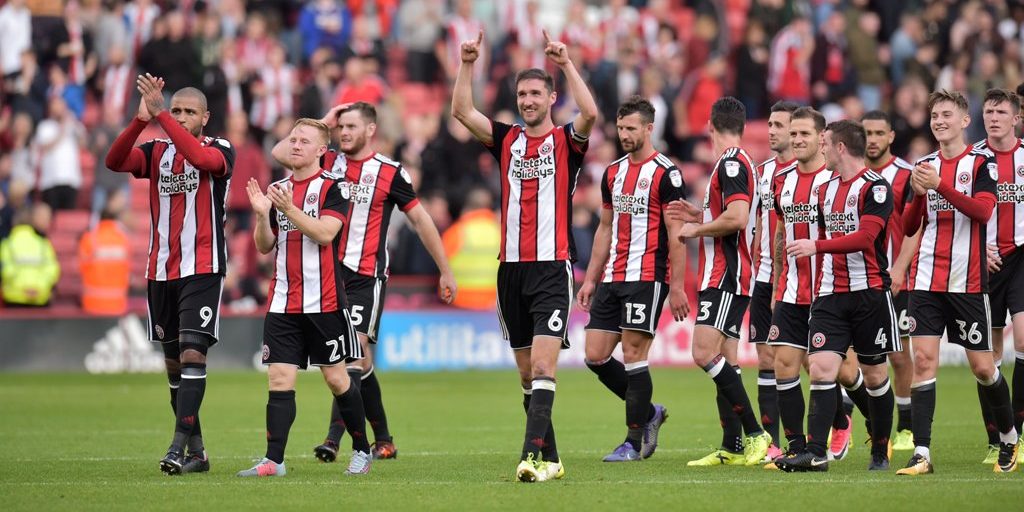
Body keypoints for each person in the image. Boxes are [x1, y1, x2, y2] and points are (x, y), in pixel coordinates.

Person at [451, 29, 597, 482]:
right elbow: (461, 111)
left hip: (552, 268)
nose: (528, 100)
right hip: (510, 270)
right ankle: (552, 458)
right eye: (522, 94)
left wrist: (566, 63)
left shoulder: (567, 141)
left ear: (552, 98)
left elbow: (591, 112)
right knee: (525, 375)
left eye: (536, 93)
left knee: (543, 365)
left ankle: (531, 457)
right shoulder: (506, 139)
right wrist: (468, 63)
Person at [273, 102, 455, 463]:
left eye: (351, 126)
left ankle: (333, 440)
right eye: (340, 127)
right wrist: (322, 122)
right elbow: (281, 153)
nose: (343, 133)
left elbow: (420, 220)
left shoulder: (390, 172)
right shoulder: (327, 161)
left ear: (371, 130)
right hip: (327, 276)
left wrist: (445, 269)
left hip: (365, 277)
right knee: (361, 361)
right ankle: (383, 439)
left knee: (351, 354)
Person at [104, 74, 235, 475]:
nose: (179, 116)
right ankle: (198, 453)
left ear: (205, 118)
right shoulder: (156, 150)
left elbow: (201, 161)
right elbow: (114, 161)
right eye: (175, 110)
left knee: (194, 354)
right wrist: (140, 121)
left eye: (188, 111)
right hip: (160, 269)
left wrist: (161, 115)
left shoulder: (220, 148)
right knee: (175, 367)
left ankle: (177, 448)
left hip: (203, 267)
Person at [237, 118, 370, 478]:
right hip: (282, 301)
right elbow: (264, 246)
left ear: (321, 150)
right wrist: (262, 216)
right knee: (279, 379)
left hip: (324, 302)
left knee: (337, 379)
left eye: (304, 141)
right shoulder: (278, 188)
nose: (295, 145)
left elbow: (326, 233)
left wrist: (289, 209)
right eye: (293, 139)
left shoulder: (334, 188)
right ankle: (274, 461)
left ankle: (362, 449)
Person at [897, 90, 1019, 475]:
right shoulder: (924, 165)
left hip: (967, 281)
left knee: (983, 367)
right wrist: (919, 195)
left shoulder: (982, 163)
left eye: (946, 115)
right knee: (922, 360)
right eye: (934, 116)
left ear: (965, 121)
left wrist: (938, 186)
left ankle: (1009, 437)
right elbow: (910, 226)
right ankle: (922, 453)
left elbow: (983, 211)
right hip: (926, 279)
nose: (939, 121)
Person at [778, 120, 898, 472]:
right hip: (830, 294)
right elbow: (817, 232)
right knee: (821, 368)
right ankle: (816, 453)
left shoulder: (875, 187)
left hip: (869, 294)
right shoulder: (824, 189)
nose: (822, 149)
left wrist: (816, 247)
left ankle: (880, 451)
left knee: (874, 376)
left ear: (841, 147)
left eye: (826, 144)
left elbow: (865, 238)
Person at [576, 96, 688, 463]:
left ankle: (632, 442)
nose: (624, 134)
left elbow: (676, 232)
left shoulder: (666, 174)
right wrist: (591, 279)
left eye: (631, 128)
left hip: (647, 277)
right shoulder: (613, 173)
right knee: (595, 355)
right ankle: (650, 412)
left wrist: (676, 287)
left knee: (634, 354)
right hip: (613, 276)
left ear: (649, 128)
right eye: (621, 128)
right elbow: (604, 228)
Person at [669, 97, 772, 467]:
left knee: (703, 353)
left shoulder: (731, 163)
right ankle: (732, 445)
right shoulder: (741, 162)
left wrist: (695, 229)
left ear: (710, 125)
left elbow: (738, 218)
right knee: (727, 359)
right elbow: (731, 215)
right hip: (732, 274)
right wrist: (703, 214)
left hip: (726, 275)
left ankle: (756, 434)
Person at [764, 107, 835, 467]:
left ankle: (854, 423)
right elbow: (780, 234)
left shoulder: (835, 180)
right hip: (792, 290)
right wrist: (778, 283)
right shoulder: (783, 180)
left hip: (829, 290)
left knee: (845, 372)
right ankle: (797, 446)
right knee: (783, 364)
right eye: (793, 133)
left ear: (822, 138)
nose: (797, 140)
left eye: (804, 133)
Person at [973, 88, 1024, 465]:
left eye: (1001, 112)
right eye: (989, 112)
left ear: (1016, 118)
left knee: (1023, 339)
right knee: (987, 357)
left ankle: (1020, 430)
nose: (993, 118)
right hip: (984, 262)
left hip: (1021, 256)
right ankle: (997, 437)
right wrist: (979, 248)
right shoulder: (974, 159)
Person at [863, 109, 918, 452]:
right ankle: (853, 422)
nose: (872, 140)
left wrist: (899, 267)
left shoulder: (905, 175)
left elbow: (915, 226)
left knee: (898, 356)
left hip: (896, 282)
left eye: (878, 133)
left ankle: (906, 427)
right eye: (867, 133)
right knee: (853, 357)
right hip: (859, 281)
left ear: (891, 137)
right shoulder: (851, 174)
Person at [748, 100, 799, 461]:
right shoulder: (761, 172)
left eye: (779, 125)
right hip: (763, 276)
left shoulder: (809, 172)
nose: (771, 131)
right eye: (770, 124)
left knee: (810, 360)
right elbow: (756, 222)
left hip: (799, 279)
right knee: (766, 357)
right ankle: (773, 443)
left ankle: (840, 418)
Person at [443, 187, 500, 310]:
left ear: (466, 208)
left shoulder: (456, 231)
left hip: (459, 301)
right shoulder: (501, 232)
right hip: (493, 302)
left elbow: (439, 263)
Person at [78, 189, 130, 315]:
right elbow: (127, 268)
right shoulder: (123, 238)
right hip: (118, 303)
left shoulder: (89, 238)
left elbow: (81, 267)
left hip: (92, 303)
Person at [0, 202, 59, 307]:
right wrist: (39, 287)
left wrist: (21, 288)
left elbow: (5, 270)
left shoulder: (7, 244)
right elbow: (52, 270)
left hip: (13, 297)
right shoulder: (43, 243)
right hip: (41, 295)